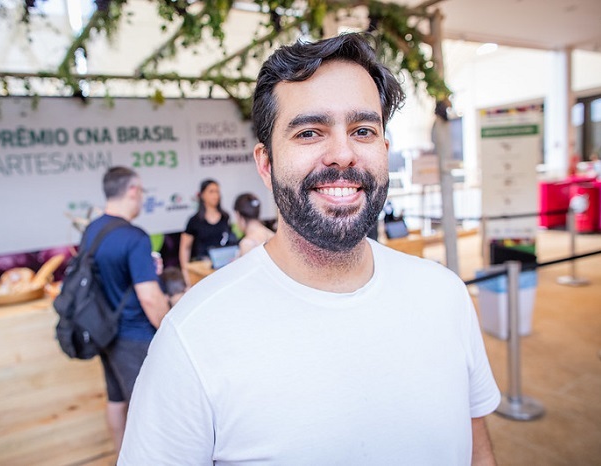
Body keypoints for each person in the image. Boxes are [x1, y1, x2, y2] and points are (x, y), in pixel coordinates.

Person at [119, 33, 500, 464]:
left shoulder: (445, 294)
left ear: (384, 150)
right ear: (266, 164)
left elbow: (477, 451)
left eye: (362, 130)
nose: (342, 154)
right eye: (309, 132)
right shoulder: (191, 340)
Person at [81, 166, 181, 453]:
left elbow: (109, 276)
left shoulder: (93, 229)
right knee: (148, 411)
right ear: (133, 190)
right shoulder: (134, 237)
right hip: (135, 337)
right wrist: (170, 331)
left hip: (105, 331)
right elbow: (149, 298)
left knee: (116, 401)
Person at [179, 178, 237, 286]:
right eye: (211, 191)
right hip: (202, 270)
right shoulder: (194, 221)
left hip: (223, 268)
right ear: (202, 195)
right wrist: (185, 271)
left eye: (217, 191)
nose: (215, 195)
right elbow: (185, 248)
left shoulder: (225, 217)